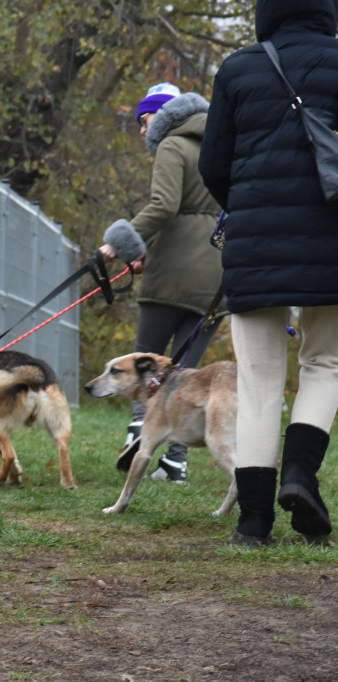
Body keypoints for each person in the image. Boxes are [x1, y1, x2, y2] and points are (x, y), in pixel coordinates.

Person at [199, 0, 338, 546]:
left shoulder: (238, 68)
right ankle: (301, 474)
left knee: (259, 385)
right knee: (325, 363)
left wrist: (251, 209)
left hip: (254, 245)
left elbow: (213, 163)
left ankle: (253, 523)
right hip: (332, 240)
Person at [99, 82, 224, 482]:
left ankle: (139, 431)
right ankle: (176, 462)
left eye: (144, 118)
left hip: (171, 272)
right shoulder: (223, 146)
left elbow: (164, 206)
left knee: (145, 359)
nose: (141, 128)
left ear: (165, 114)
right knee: (187, 370)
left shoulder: (172, 145)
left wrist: (119, 244)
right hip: (217, 277)